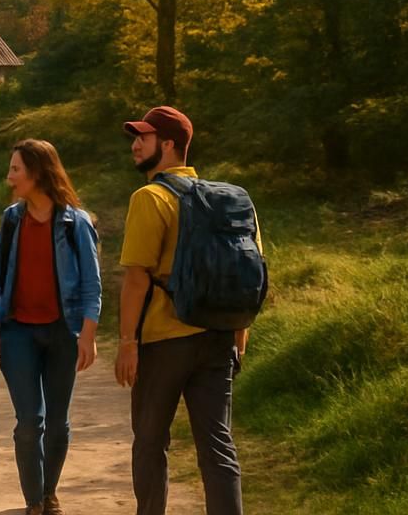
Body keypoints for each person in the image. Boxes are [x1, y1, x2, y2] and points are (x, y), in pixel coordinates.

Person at [115, 106, 254, 515]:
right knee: (217, 446)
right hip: (218, 338)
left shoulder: (150, 197)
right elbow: (246, 275)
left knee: (150, 443)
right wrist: (237, 340)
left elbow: (138, 277)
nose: (136, 145)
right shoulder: (231, 199)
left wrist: (127, 343)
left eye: (144, 137)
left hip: (164, 342)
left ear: (170, 144)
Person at [0, 139, 102, 515]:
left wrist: (89, 336)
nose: (9, 177)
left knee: (58, 422)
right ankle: (34, 502)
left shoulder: (75, 223)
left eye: (15, 169)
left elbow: (91, 284)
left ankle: (50, 493)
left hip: (64, 332)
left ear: (36, 173)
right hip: (19, 332)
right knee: (30, 420)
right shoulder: (12, 220)